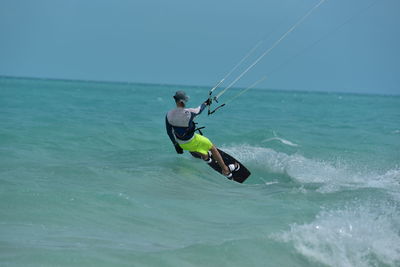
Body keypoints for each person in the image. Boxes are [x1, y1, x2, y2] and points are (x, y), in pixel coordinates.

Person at [165, 90, 239, 178]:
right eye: (185, 100)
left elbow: (169, 132)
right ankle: (226, 170)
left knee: (195, 145)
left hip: (182, 144)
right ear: (182, 101)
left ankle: (206, 157)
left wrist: (176, 145)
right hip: (191, 141)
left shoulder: (168, 115)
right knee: (212, 147)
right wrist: (206, 103)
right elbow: (200, 109)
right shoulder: (190, 112)